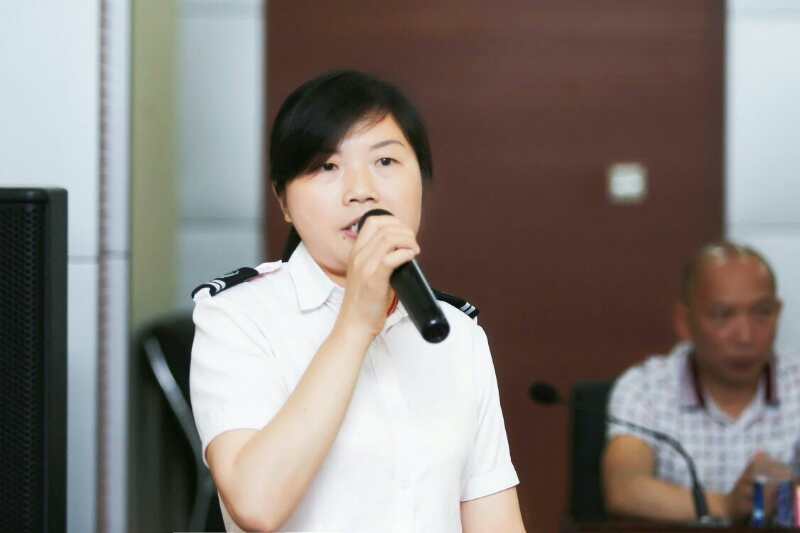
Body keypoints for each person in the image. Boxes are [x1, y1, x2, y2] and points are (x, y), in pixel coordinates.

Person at [189, 70, 525, 533]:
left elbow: (494, 519)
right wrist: (355, 323)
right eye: (327, 167)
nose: (361, 190)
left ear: (422, 181)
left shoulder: (456, 334)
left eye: (385, 161)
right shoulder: (237, 318)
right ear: (283, 202)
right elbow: (255, 504)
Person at [602, 242, 798, 523]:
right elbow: (625, 489)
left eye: (762, 312)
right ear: (684, 321)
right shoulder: (645, 388)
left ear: (778, 314)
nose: (745, 336)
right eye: (722, 315)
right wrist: (724, 505)